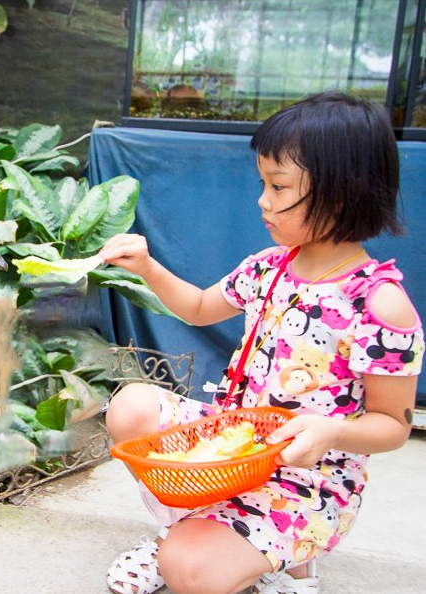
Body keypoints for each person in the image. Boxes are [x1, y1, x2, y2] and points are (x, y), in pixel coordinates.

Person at [98, 91, 424, 594]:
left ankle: (275, 561)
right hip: (234, 444)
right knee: (131, 407)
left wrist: (329, 432)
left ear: (345, 189)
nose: (263, 201)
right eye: (263, 183)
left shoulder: (378, 303)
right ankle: (188, 527)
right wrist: (146, 267)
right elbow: (200, 308)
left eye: (279, 186)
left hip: (308, 478)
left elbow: (393, 426)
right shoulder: (269, 266)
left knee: (189, 569)